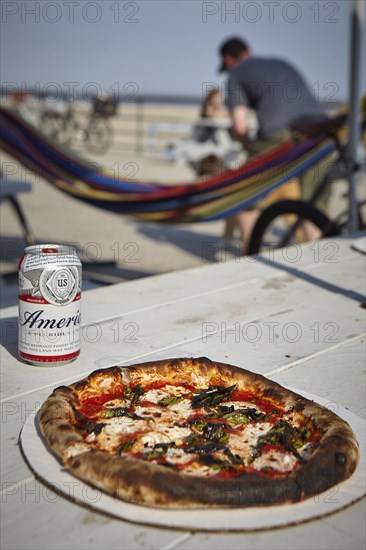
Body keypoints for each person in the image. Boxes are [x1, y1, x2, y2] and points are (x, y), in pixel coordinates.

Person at [218, 37, 330, 253]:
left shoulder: (236, 74)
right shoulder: (281, 62)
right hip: (323, 132)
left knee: (245, 196)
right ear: (248, 51)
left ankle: (250, 256)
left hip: (282, 133)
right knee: (313, 206)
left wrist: (248, 148)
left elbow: (240, 127)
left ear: (228, 59)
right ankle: (318, 260)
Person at [165, 87, 246, 171]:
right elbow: (210, 114)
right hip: (208, 133)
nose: (221, 98)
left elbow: (225, 115)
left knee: (225, 138)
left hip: (216, 133)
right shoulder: (209, 106)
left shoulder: (220, 106)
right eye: (219, 96)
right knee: (220, 138)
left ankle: (227, 155)